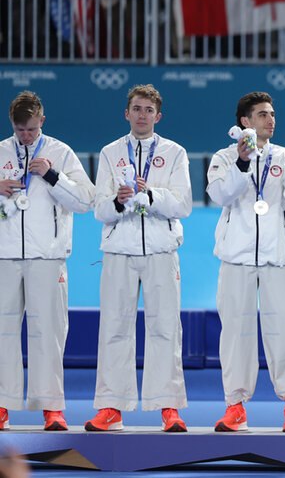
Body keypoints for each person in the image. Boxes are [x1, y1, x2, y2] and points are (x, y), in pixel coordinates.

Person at [207, 92, 285, 433]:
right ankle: (235, 407)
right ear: (245, 122)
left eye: (272, 114)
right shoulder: (224, 157)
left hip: (278, 259)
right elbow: (219, 195)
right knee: (236, 334)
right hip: (236, 259)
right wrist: (242, 163)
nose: (271, 119)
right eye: (262, 114)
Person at [88, 84, 193, 432]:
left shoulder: (175, 152)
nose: (142, 115)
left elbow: (183, 205)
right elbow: (99, 210)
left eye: (149, 110)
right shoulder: (109, 152)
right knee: (115, 329)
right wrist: (118, 202)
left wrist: (151, 194)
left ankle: (168, 407)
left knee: (165, 329)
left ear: (158, 116)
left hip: (162, 250)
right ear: (127, 113)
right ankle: (111, 407)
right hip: (119, 250)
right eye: (137, 108)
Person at [0, 91, 95, 432]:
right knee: (2, 333)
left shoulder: (60, 153)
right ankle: (2, 405)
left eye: (30, 128)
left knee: (49, 333)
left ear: (42, 120)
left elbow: (87, 200)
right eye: (18, 129)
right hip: (5, 257)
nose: (25, 135)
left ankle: (52, 409)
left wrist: (53, 176)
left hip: (48, 257)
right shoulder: (1, 152)